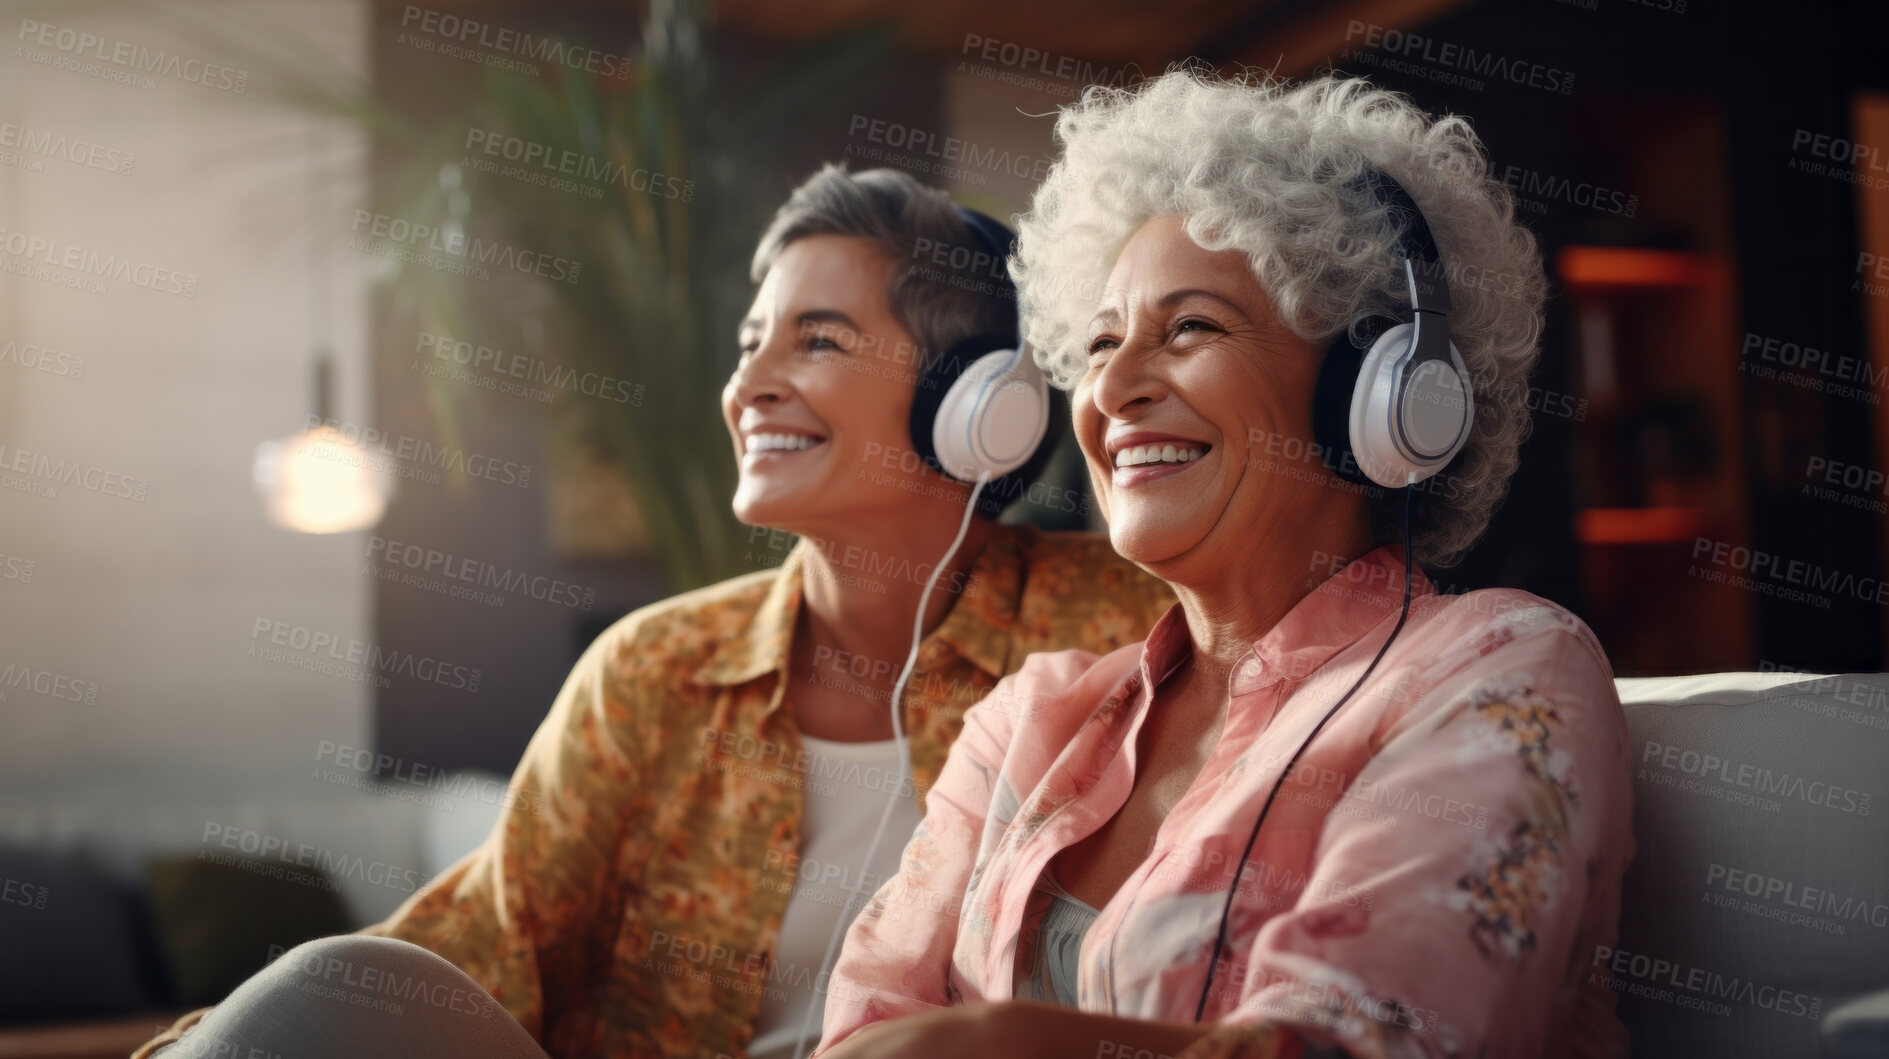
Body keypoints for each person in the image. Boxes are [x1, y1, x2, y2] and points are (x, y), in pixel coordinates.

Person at [132, 166, 1175, 1059]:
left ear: (978, 406)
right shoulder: (656, 668)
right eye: (748, 343)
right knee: (334, 979)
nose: (748, 386)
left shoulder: (1125, 622)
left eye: (815, 340)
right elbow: (481, 944)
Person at [815, 71, 1634, 1059]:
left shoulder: (1502, 663)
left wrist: (996, 1042)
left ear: (1375, 394)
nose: (1109, 388)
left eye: (1188, 328)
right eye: (1100, 341)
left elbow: (1359, 1043)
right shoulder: (1029, 722)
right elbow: (865, 1028)